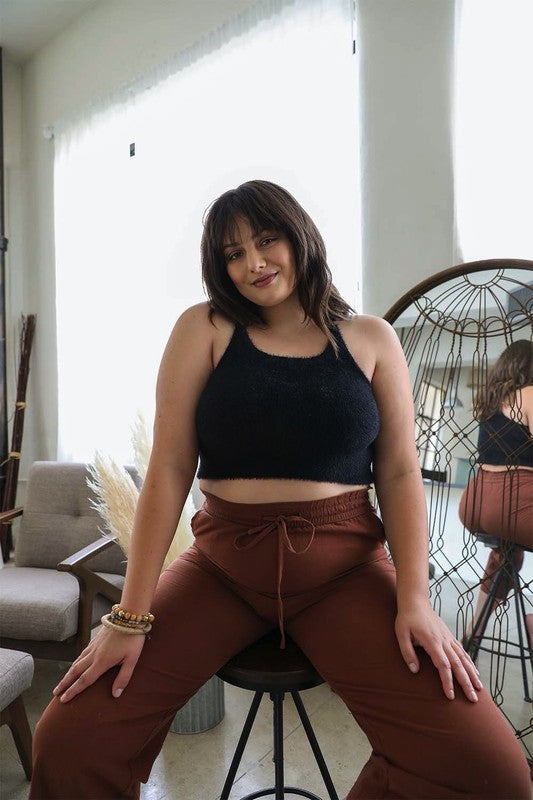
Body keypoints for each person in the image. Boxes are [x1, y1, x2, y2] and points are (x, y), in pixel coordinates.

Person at [30, 180, 530, 800]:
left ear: (300, 238)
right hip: (219, 569)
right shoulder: (205, 328)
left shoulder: (372, 339)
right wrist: (130, 616)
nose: (253, 263)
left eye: (266, 241)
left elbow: (399, 474)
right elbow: (167, 470)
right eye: (233, 253)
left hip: (346, 571)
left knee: (494, 772)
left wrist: (415, 599)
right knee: (70, 736)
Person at [459, 339, 533, 646]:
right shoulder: (530, 394)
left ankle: (473, 631)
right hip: (515, 501)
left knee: (506, 554)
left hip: (475, 502)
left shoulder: (491, 403)